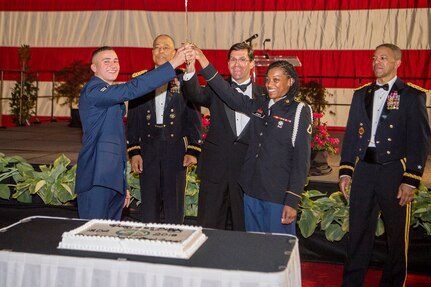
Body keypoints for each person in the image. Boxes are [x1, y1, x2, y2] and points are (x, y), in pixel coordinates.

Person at [186, 47, 312, 235]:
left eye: (276, 80)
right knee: (252, 245)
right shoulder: (260, 104)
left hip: (276, 192)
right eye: (268, 79)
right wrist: (203, 60)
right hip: (252, 191)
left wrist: (292, 200)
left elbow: (301, 160)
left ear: (290, 81)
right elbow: (229, 95)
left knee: (277, 249)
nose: (270, 84)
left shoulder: (299, 110)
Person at [339, 43, 430, 286]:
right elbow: (350, 136)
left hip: (393, 171)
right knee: (358, 232)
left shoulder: (412, 95)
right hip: (364, 170)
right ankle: (352, 282)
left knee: (396, 235)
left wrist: (411, 179)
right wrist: (346, 170)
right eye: (374, 58)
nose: (377, 62)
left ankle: (392, 282)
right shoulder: (361, 94)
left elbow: (419, 141)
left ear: (397, 62)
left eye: (383, 58)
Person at [75, 44, 193, 220]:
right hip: (96, 179)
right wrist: (174, 62)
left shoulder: (110, 93)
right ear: (94, 67)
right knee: (91, 236)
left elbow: (116, 142)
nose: (113, 65)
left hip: (111, 180)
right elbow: (131, 89)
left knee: (109, 239)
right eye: (106, 61)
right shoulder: (93, 90)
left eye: (116, 60)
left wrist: (121, 184)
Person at [182, 42, 267, 231]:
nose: (237, 64)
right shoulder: (215, 87)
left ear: (252, 64)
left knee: (245, 228)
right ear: (228, 64)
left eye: (243, 59)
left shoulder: (264, 95)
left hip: (247, 173)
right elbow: (194, 94)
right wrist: (190, 67)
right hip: (215, 169)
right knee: (209, 226)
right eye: (233, 60)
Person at [126, 35, 201, 224]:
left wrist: (193, 150)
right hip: (148, 149)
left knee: (174, 204)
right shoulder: (140, 80)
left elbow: (194, 116)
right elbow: (133, 119)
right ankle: (150, 245)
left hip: (175, 149)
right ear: (152, 53)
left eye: (165, 47)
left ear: (175, 52)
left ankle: (175, 243)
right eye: (157, 47)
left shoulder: (185, 78)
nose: (160, 51)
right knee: (149, 204)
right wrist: (134, 151)